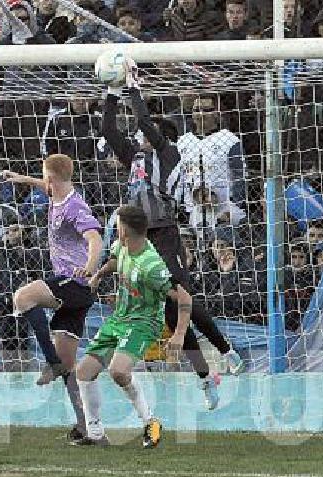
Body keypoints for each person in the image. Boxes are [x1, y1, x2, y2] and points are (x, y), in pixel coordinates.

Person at [99, 58, 245, 402]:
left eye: (145, 133)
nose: (138, 136)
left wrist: (134, 87)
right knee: (169, 311)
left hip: (164, 232)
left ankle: (226, 350)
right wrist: (111, 92)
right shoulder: (134, 157)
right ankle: (206, 376)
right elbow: (108, 130)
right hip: (139, 237)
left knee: (182, 299)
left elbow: (145, 123)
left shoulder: (169, 154)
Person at [0, 154, 103, 441]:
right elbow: (44, 186)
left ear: (51, 178)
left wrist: (91, 268)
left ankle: (50, 361)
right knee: (70, 366)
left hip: (74, 282)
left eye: (43, 176)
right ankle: (87, 427)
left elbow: (95, 237)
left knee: (22, 297)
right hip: (73, 289)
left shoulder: (74, 206)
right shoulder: (56, 193)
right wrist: (22, 179)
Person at [76, 205, 194, 447]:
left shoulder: (152, 266)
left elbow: (184, 298)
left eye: (116, 224)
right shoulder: (121, 246)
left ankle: (150, 422)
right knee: (84, 371)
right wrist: (98, 275)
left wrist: (179, 335)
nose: (114, 229)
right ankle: (95, 434)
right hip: (120, 318)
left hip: (144, 322)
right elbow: (113, 260)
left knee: (118, 370)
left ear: (123, 230)